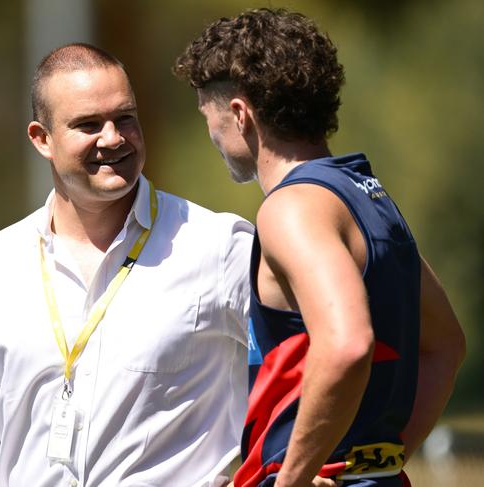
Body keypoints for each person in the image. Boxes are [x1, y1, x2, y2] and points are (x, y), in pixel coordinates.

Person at [0, 43, 253, 486]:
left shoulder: (219, 246)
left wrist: (290, 468)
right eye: (87, 124)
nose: (113, 138)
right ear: (41, 139)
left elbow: (314, 358)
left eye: (125, 118)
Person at [173, 8, 466, 487]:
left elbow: (348, 345)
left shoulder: (291, 210)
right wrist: (376, 463)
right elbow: (446, 345)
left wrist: (292, 478)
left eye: (211, 118)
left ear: (241, 115)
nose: (214, 137)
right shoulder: (368, 197)